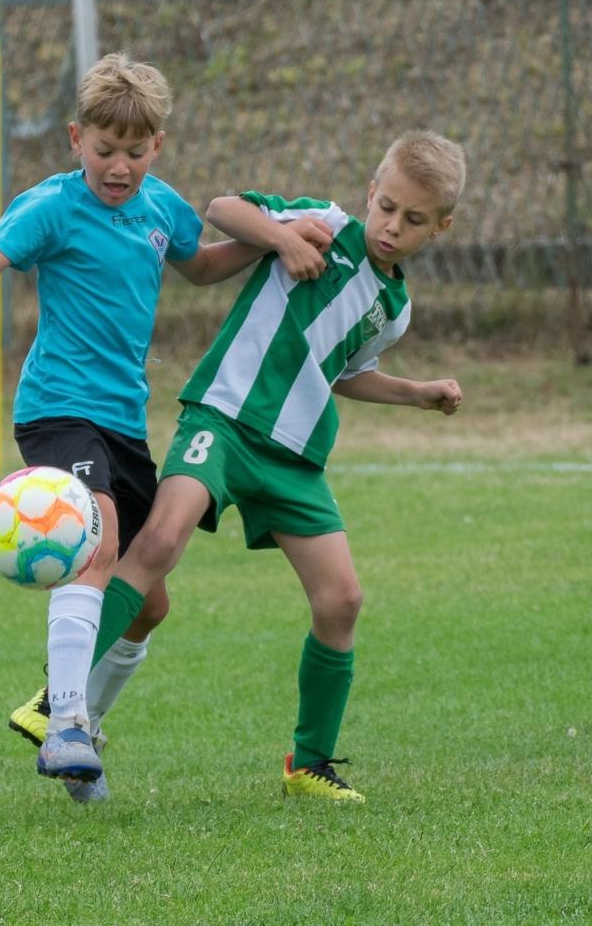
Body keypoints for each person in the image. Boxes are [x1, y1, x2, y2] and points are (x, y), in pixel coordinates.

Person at [0, 53, 332, 801]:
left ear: (157, 148)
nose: (119, 166)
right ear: (77, 138)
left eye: (135, 153)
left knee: (150, 603)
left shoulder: (160, 207)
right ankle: (63, 718)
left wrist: (274, 238)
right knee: (97, 541)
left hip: (123, 425)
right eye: (105, 150)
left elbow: (198, 265)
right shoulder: (51, 208)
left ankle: (82, 740)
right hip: (57, 410)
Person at [80, 130, 469, 802]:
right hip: (225, 419)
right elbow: (222, 207)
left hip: (294, 454)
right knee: (161, 541)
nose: (391, 228)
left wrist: (418, 393)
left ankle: (309, 763)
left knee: (342, 600)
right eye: (388, 207)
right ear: (371, 192)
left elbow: (345, 370)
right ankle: (63, 700)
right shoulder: (324, 224)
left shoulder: (394, 309)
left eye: (413, 221)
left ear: (440, 227)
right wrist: (283, 239)